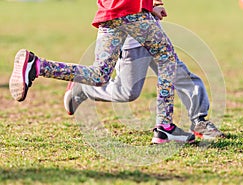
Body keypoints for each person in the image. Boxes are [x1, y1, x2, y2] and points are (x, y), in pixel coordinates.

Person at [9, 0, 196, 144]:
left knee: (99, 74)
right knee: (166, 58)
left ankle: (37, 66)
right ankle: (164, 127)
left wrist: (148, 4)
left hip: (110, 13)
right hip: (133, 13)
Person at [64, 4, 225, 142]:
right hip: (129, 36)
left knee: (181, 76)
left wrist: (153, 4)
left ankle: (199, 121)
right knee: (127, 92)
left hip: (151, 31)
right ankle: (84, 88)